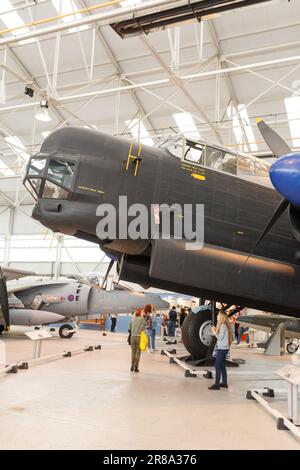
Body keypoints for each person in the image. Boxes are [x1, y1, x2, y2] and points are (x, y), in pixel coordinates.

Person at [208, 309, 233, 390]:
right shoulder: (225, 325)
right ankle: (224, 383)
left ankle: (217, 384)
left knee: (217, 366)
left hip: (222, 349)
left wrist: (214, 331)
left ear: (221, 316)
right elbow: (221, 336)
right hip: (224, 348)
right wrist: (214, 331)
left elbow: (219, 338)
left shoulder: (222, 325)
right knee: (222, 366)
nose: (217, 316)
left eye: (218, 315)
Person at [128, 308, 146, 373]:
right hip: (139, 337)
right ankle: (136, 367)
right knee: (138, 352)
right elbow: (144, 329)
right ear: (141, 313)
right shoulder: (142, 320)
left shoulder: (132, 319)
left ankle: (132, 365)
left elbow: (129, 329)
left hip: (132, 337)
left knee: (133, 352)